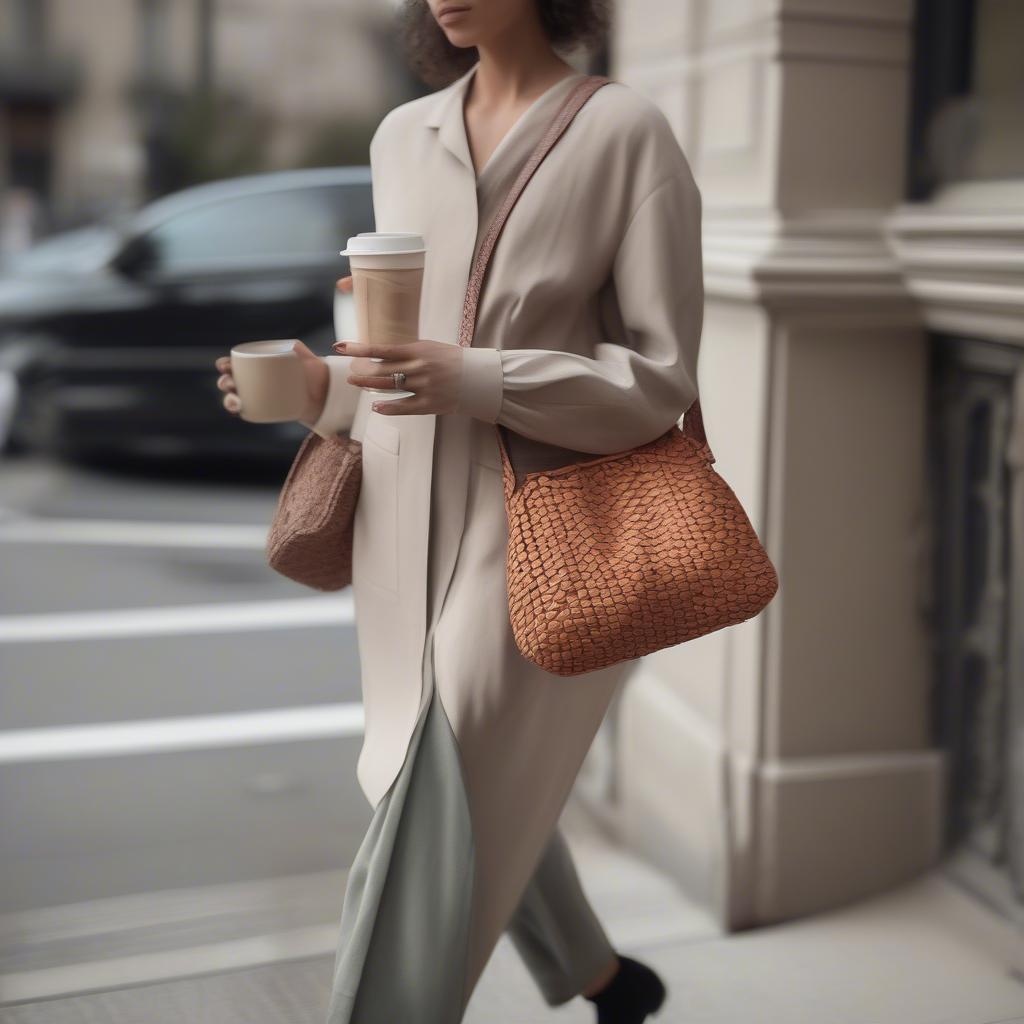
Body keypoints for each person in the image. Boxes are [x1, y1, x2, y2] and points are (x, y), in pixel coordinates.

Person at [214, 0, 703, 1020]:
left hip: (538, 525)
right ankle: (606, 977)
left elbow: (656, 379)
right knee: (440, 779)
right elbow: (396, 361)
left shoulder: (624, 133)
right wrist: (321, 392)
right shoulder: (403, 136)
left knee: (431, 786)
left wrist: (478, 377)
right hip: (400, 521)